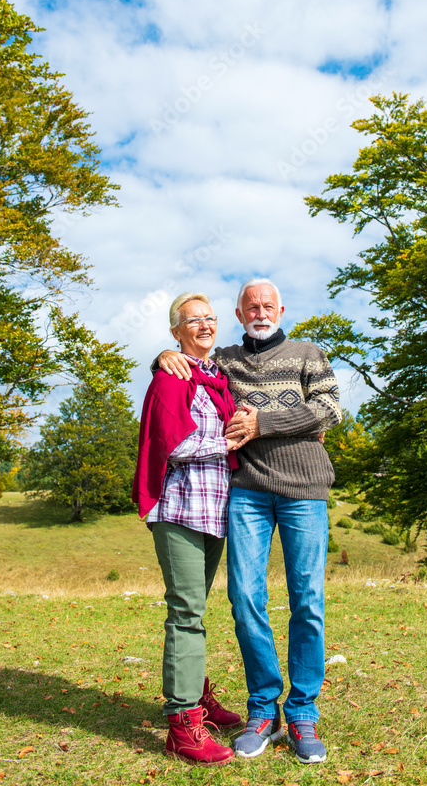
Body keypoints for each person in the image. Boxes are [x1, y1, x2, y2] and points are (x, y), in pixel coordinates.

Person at [157, 278, 342, 764]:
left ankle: (302, 711)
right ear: (238, 316)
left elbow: (329, 409)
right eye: (249, 307)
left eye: (267, 305)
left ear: (281, 308)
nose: (260, 311)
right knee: (244, 598)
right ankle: (263, 708)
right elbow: (190, 368)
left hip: (304, 490)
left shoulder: (308, 353)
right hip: (248, 493)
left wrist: (264, 423)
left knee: (307, 598)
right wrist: (162, 355)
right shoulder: (227, 360)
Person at [132, 292, 242, 766]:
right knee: (186, 610)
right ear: (175, 331)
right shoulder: (169, 376)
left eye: (210, 318)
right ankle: (183, 722)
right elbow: (173, 443)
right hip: (179, 508)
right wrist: (233, 437)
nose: (204, 325)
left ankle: (196, 695)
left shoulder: (217, 376)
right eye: (193, 320)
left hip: (214, 511)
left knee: (196, 608)